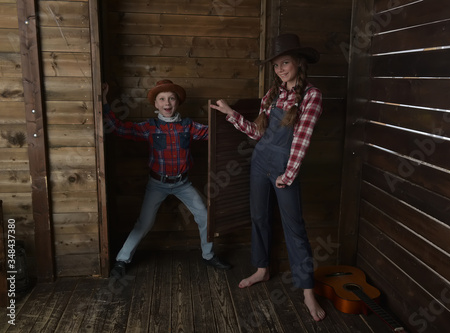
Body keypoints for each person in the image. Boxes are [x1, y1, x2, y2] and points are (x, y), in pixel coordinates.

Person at [210, 33, 326, 321]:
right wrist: (230, 113)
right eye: (276, 65)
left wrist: (288, 174)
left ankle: (307, 292)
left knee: (294, 229)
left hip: (285, 167)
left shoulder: (311, 96)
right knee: (259, 217)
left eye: (285, 63)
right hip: (260, 163)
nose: (280, 69)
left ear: (299, 62)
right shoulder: (272, 94)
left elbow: (302, 140)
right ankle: (262, 270)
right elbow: (257, 133)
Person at [102, 79, 232, 277]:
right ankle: (121, 260)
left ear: (177, 102)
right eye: (162, 99)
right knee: (144, 223)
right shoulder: (150, 127)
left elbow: (214, 132)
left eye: (171, 98)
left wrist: (228, 115)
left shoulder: (188, 126)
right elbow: (119, 128)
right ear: (156, 104)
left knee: (205, 215)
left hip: (183, 183)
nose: (167, 103)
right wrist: (103, 100)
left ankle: (209, 255)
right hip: (157, 184)